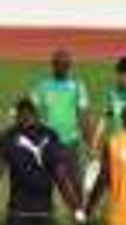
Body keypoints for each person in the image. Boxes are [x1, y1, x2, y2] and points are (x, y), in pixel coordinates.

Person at [30, 49, 93, 204]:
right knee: (44, 183)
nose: (63, 68)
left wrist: (90, 142)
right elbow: (32, 113)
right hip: (47, 144)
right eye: (59, 64)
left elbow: (83, 115)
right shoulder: (42, 86)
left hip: (70, 142)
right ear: (53, 65)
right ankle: (44, 218)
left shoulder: (78, 87)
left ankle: (79, 219)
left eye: (66, 65)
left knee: (76, 182)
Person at [98, 56, 126, 145]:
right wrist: (95, 140)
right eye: (120, 75)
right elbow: (104, 119)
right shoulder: (111, 94)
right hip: (116, 143)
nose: (122, 79)